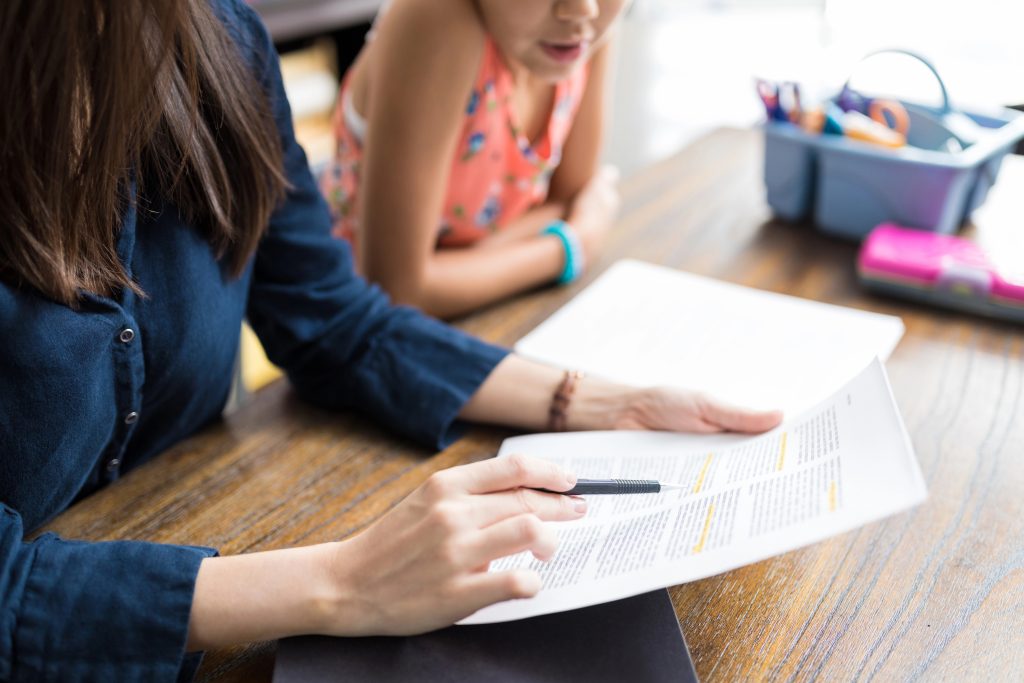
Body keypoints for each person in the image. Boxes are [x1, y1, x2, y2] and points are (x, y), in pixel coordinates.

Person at [0, 1, 782, 680]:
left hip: (185, 512)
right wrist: (343, 582)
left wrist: (602, 400)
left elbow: (332, 317)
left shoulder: (221, 42)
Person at [319, 0, 626, 318]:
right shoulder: (437, 16)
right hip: (354, 331)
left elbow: (571, 200)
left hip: (487, 314)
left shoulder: (584, 35)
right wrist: (567, 248)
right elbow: (398, 290)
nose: (582, 9)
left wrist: (453, 269)